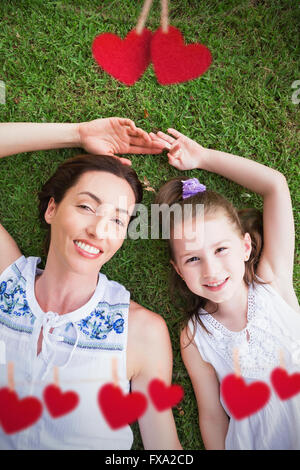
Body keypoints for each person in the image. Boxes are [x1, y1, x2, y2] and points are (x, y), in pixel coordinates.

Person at [0, 118, 182, 450]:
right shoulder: (6, 278)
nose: (99, 231)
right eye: (86, 206)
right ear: (52, 209)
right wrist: (77, 133)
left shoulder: (141, 331)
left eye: (117, 220)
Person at [151, 128, 300, 450]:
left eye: (221, 250)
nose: (211, 270)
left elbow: (275, 186)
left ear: (245, 246)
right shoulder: (195, 334)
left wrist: (204, 157)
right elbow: (212, 415)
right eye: (193, 258)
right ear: (177, 269)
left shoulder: (273, 281)